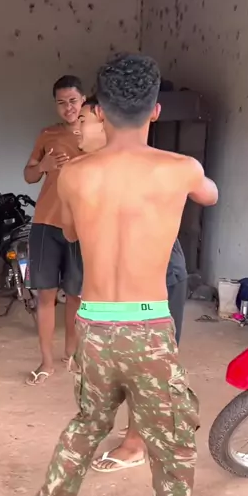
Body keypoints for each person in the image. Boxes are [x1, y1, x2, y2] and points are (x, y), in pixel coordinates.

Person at [17, 53, 218, 496]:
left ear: (99, 109)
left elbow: (72, 229)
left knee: (88, 421)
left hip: (95, 326)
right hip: (148, 328)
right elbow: (210, 194)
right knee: (172, 452)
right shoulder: (180, 167)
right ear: (156, 110)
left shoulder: (76, 174)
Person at [78, 97, 189, 472]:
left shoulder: (143, 165)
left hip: (157, 271)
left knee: (147, 362)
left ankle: (137, 442)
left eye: (83, 119)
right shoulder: (89, 169)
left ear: (104, 120)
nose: (77, 128)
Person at [24, 75, 85, 385]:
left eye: (73, 101)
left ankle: (71, 354)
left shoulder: (98, 136)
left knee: (76, 295)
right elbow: (29, 175)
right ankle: (46, 361)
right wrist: (43, 166)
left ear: (84, 100)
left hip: (83, 226)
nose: (68, 107)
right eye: (61, 103)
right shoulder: (47, 134)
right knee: (45, 295)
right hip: (46, 222)